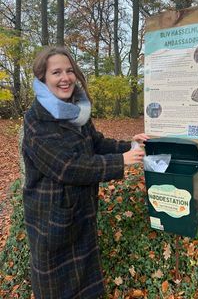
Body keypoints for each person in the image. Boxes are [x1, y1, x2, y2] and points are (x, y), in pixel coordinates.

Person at [22, 46, 149, 299]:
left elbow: (96, 144)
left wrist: (131, 146)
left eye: (69, 70)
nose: (65, 77)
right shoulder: (36, 120)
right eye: (56, 72)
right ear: (42, 79)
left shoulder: (77, 112)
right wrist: (120, 161)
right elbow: (67, 166)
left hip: (80, 211)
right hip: (51, 221)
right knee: (59, 290)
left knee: (85, 285)